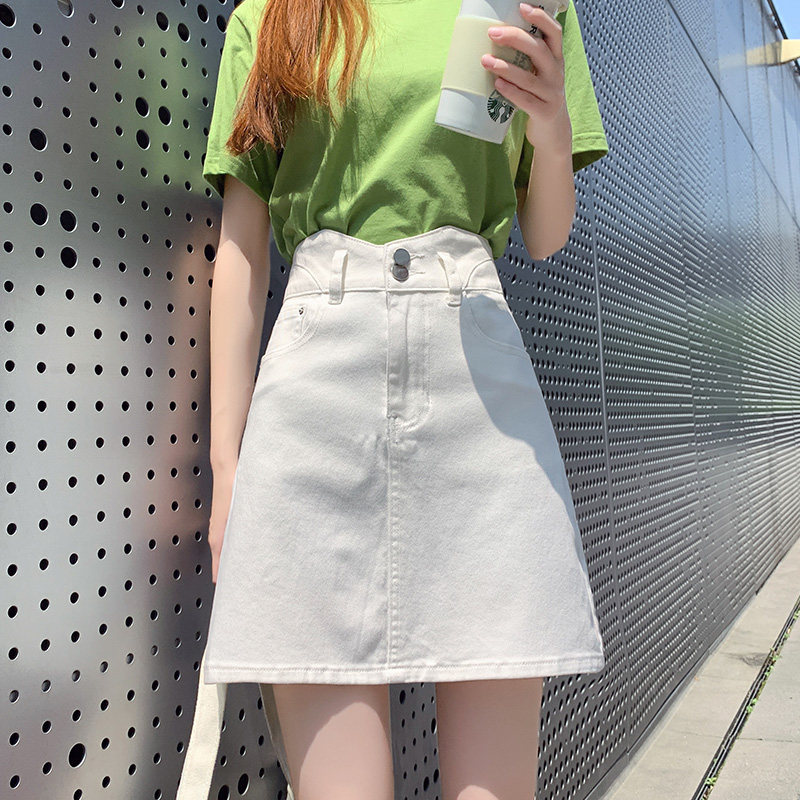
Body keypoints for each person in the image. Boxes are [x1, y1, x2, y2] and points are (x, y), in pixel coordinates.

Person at [178, 1, 609, 799]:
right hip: (316, 394)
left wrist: (550, 131)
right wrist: (228, 467)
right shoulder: (270, 14)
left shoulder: (524, 6)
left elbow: (545, 234)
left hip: (477, 385)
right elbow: (241, 247)